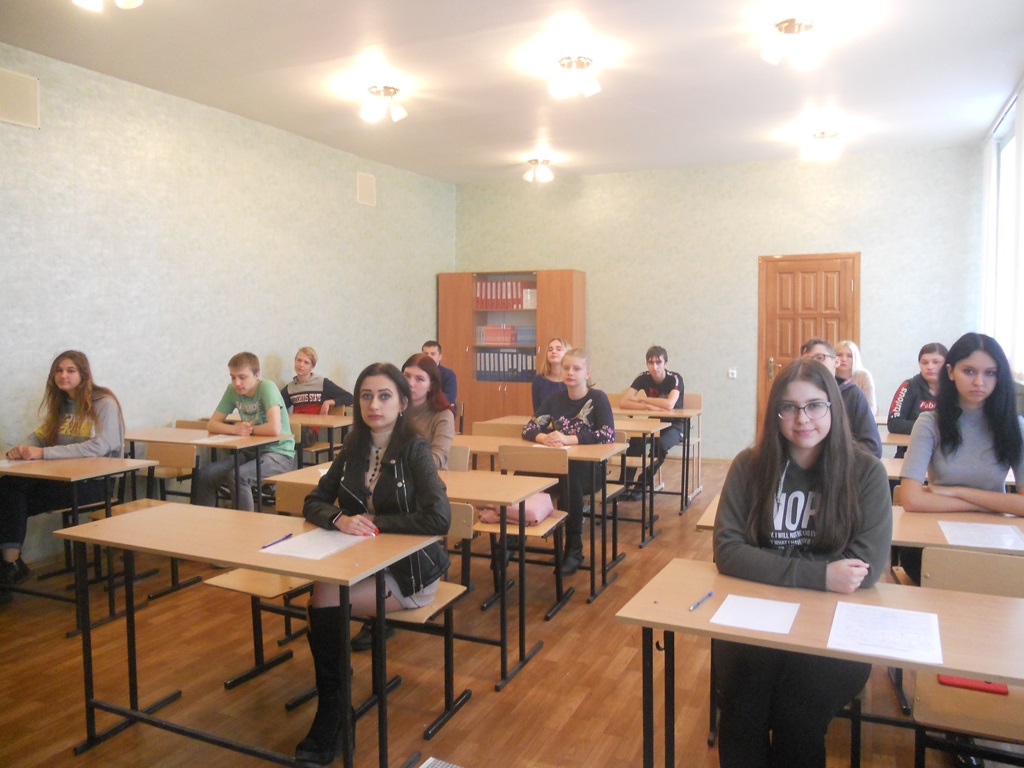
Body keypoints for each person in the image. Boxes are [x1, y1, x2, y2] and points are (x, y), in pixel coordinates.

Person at [713, 358, 892, 768]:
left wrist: (768, 562)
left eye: (814, 405)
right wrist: (821, 573)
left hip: (834, 623)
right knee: (741, 712)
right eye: (789, 407)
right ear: (775, 413)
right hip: (756, 615)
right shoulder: (749, 466)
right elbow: (728, 550)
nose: (802, 419)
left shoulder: (866, 472)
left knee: (797, 716)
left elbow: (864, 568)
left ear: (833, 407)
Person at [296, 362, 451, 765]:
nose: (374, 405)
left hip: (409, 572)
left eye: (384, 396)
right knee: (321, 597)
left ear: (403, 403)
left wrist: (374, 522)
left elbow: (439, 518)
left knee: (322, 600)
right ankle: (336, 704)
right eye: (366, 396)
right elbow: (313, 500)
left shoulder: (414, 449)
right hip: (363, 563)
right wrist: (339, 519)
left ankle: (333, 710)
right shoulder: (354, 446)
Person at [898, 333, 1024, 582]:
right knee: (935, 566)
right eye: (969, 371)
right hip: (934, 534)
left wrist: (957, 492)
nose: (979, 382)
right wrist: (993, 504)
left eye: (990, 373)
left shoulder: (1015, 426)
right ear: (950, 371)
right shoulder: (929, 423)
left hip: (997, 536)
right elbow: (911, 499)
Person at [1, 351, 125, 588]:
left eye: (70, 370)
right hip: (61, 478)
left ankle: (10, 566)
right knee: (7, 487)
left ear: (83, 374)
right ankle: (10, 565)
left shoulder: (104, 403)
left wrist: (44, 453)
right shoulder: (62, 405)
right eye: (58, 370)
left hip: (94, 484)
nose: (63, 375)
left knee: (9, 501)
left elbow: (101, 445)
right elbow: (41, 435)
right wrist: (21, 449)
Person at [523, 347, 615, 576]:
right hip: (559, 467)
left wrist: (568, 439)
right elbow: (529, 428)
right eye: (566, 368)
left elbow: (607, 434)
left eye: (577, 368)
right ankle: (512, 538)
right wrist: (545, 438)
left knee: (569, 475)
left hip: (590, 472)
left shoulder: (597, 398)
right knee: (523, 474)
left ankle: (574, 548)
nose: (570, 372)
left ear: (587, 374)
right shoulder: (554, 399)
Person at [194, 352, 295, 512]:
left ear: (256, 375)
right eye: (233, 377)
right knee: (206, 475)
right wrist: (235, 429)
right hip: (251, 451)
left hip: (279, 453)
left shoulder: (267, 387)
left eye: (242, 377)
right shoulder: (232, 390)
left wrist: (248, 430)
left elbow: (274, 428)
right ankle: (204, 522)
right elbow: (212, 424)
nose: (237, 383)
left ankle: (245, 524)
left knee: (238, 476)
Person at [619, 345, 686, 499]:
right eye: (651, 363)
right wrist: (648, 407)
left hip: (676, 425)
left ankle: (642, 484)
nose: (654, 367)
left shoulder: (675, 378)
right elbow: (624, 402)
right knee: (635, 441)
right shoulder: (643, 377)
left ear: (666, 363)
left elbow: (669, 404)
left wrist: (643, 399)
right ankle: (624, 485)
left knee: (660, 445)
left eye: (658, 362)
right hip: (655, 422)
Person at [800, 338, 881, 457]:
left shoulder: (852, 393)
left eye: (820, 358)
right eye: (807, 360)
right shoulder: (796, 395)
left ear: (836, 362)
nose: (813, 364)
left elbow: (872, 447)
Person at [280, 346, 353, 447]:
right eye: (299, 360)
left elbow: (349, 397)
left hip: (310, 431)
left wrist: (329, 402)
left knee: (295, 437)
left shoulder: (322, 383)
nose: (301, 365)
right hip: (295, 427)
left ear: (312, 366)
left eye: (306, 362)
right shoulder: (290, 387)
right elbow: (278, 406)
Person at [887, 342, 948, 459]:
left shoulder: (956, 388)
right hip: (909, 453)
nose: (930, 367)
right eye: (924, 362)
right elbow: (894, 423)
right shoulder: (908, 386)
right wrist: (931, 428)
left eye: (936, 362)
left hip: (945, 455)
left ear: (947, 364)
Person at [401, 353, 454, 469]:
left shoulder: (443, 415)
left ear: (431, 385)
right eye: (406, 376)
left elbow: (438, 459)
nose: (410, 383)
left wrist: (400, 463)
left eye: (419, 379)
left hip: (429, 476)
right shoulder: (393, 411)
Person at [835, 339, 877, 415]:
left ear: (856, 358)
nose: (844, 359)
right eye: (839, 355)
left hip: (858, 418)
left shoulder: (863, 375)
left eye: (849, 356)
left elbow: (871, 407)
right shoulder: (828, 375)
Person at [532, 337, 570, 413]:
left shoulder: (572, 379)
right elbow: (537, 412)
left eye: (558, 349)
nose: (553, 352)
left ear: (567, 353)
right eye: (550, 349)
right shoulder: (538, 380)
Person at [422, 340, 457, 406]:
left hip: (441, 408)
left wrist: (425, 398)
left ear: (439, 357)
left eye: (433, 354)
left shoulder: (448, 374)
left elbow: (450, 397)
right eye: (426, 354)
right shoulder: (417, 372)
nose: (429, 357)